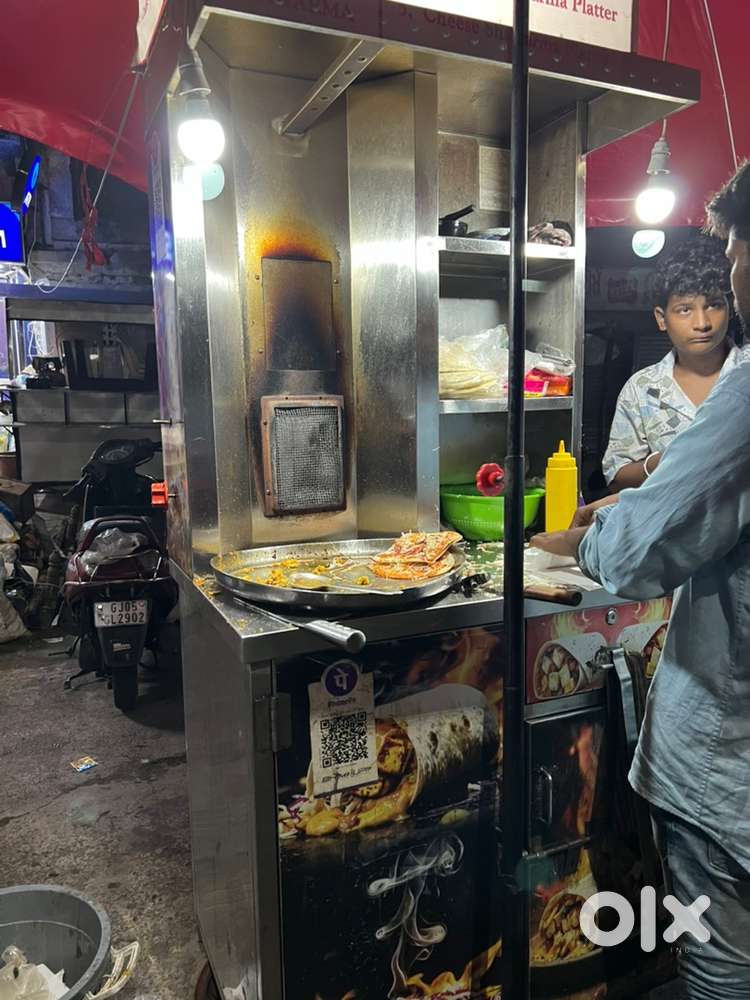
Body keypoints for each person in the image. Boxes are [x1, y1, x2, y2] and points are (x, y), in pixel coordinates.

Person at [532, 161, 750, 1000]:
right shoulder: (647, 388)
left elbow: (635, 552)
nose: (727, 279)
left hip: (729, 763)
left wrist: (585, 535)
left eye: (734, 251)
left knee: (723, 969)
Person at [603, 236, 739, 492]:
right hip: (671, 518)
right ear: (661, 318)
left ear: (730, 307)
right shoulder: (642, 389)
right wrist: (665, 461)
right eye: (685, 309)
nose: (702, 323)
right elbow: (616, 478)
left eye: (713, 305)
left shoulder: (745, 372)